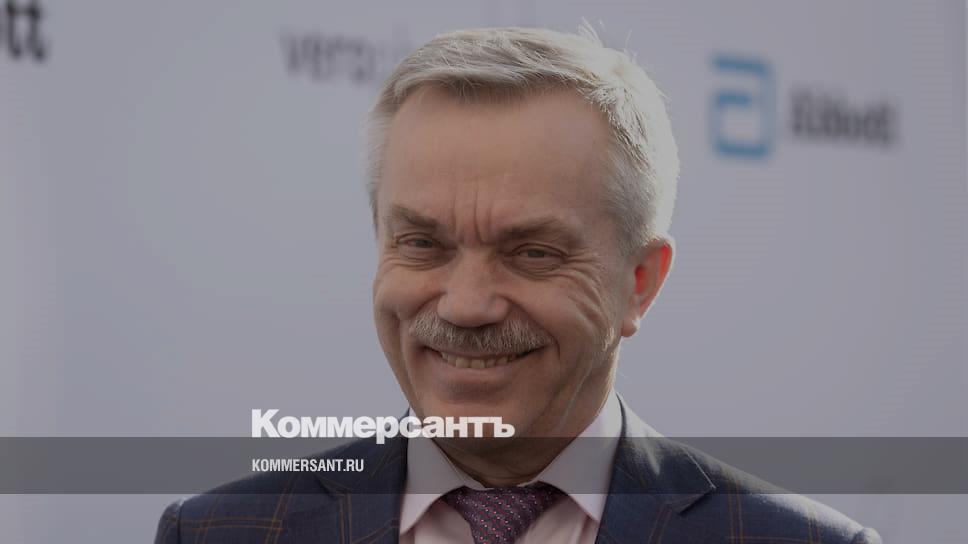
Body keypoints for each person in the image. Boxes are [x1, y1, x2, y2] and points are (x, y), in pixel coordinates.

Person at [155, 26, 881, 543]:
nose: (467, 305)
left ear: (639, 283)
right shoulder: (220, 532)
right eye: (422, 244)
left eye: (531, 253)